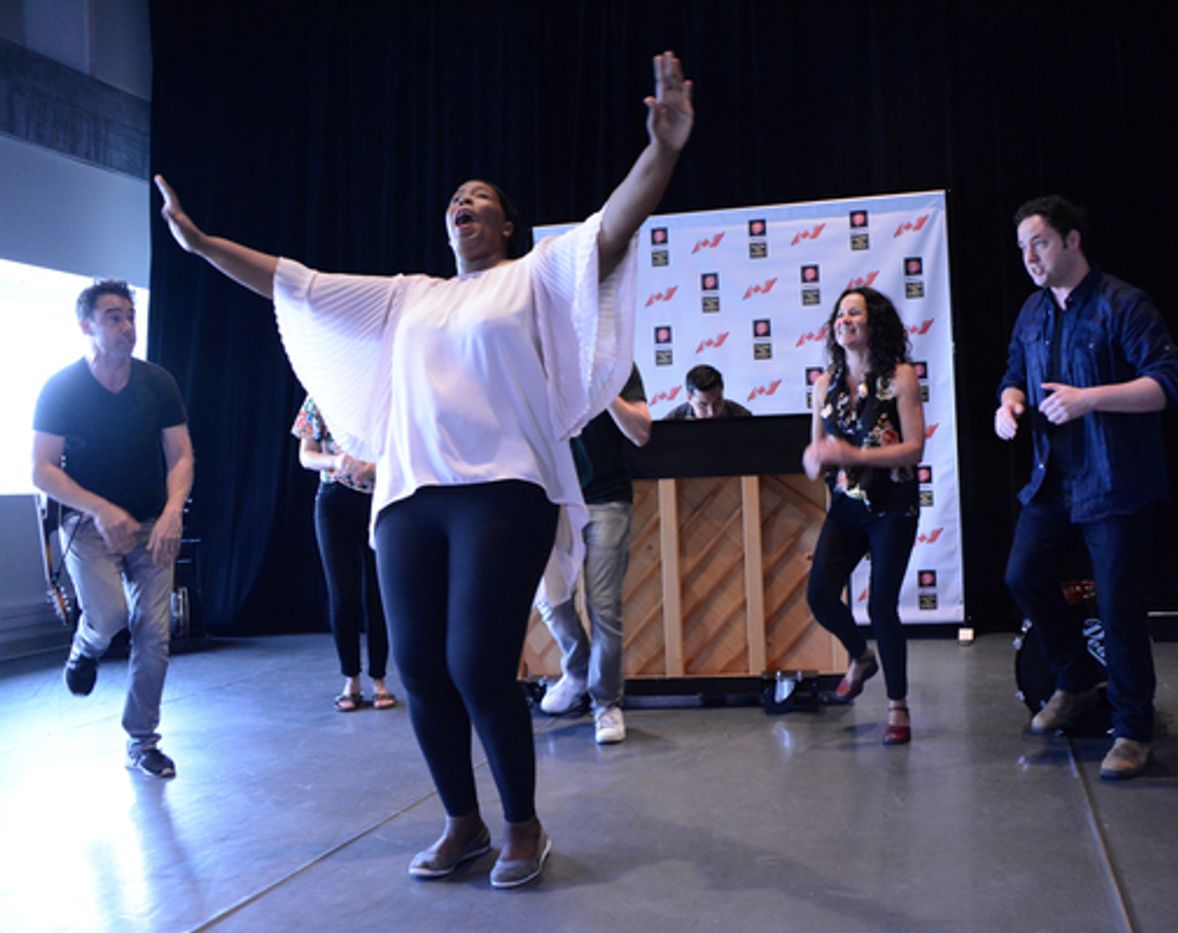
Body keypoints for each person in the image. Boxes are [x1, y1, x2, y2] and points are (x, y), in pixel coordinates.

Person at [156, 50, 691, 889]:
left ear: (507, 225)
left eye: (479, 198)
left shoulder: (534, 278)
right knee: (418, 667)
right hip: (409, 496)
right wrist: (198, 245)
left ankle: (523, 822)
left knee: (478, 661)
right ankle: (463, 823)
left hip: (504, 489)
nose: (462, 204)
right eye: (455, 200)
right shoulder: (407, 295)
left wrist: (661, 150)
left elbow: (611, 228)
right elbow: (293, 284)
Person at [996, 195, 1178, 781]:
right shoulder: (1032, 311)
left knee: (1119, 607)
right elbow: (1012, 372)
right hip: (1053, 478)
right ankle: (1076, 678)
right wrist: (1008, 402)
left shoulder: (1122, 303)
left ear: (1072, 241)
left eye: (1041, 243)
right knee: (1021, 575)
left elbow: (1169, 383)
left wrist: (1089, 398)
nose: (1030, 257)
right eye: (1024, 247)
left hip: (1115, 482)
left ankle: (1132, 729)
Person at [32, 280, 195, 779]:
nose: (127, 327)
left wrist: (172, 511)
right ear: (87, 327)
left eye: (130, 315)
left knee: (154, 631)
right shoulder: (62, 388)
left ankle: (142, 741)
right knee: (108, 615)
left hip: (151, 523)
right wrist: (101, 508)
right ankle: (85, 647)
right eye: (113, 318)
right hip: (88, 525)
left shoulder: (157, 383)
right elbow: (41, 469)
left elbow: (182, 454)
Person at [802, 287, 924, 745]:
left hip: (893, 506)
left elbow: (914, 448)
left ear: (874, 322)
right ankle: (860, 656)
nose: (844, 320)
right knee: (819, 595)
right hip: (848, 508)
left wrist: (855, 453)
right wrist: (816, 461)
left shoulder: (900, 376)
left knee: (881, 606)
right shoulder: (824, 383)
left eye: (854, 312)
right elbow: (817, 448)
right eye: (839, 314)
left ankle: (898, 705)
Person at [536, 366, 651, 744]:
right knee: (552, 599)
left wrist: (604, 390)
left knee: (605, 606)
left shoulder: (615, 363)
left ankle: (606, 705)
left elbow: (641, 433)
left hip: (606, 498)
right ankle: (579, 669)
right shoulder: (537, 352)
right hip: (550, 499)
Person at [291, 396, 395, 712]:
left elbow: (405, 449)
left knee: (378, 592)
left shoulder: (382, 394)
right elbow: (306, 455)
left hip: (378, 497)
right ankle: (351, 678)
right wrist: (336, 463)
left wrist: (371, 468)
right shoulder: (321, 394)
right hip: (333, 500)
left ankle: (379, 678)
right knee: (342, 593)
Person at [663, 363, 753, 419]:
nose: (711, 413)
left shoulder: (742, 418)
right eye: (703, 405)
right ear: (689, 398)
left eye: (717, 403)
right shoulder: (672, 423)